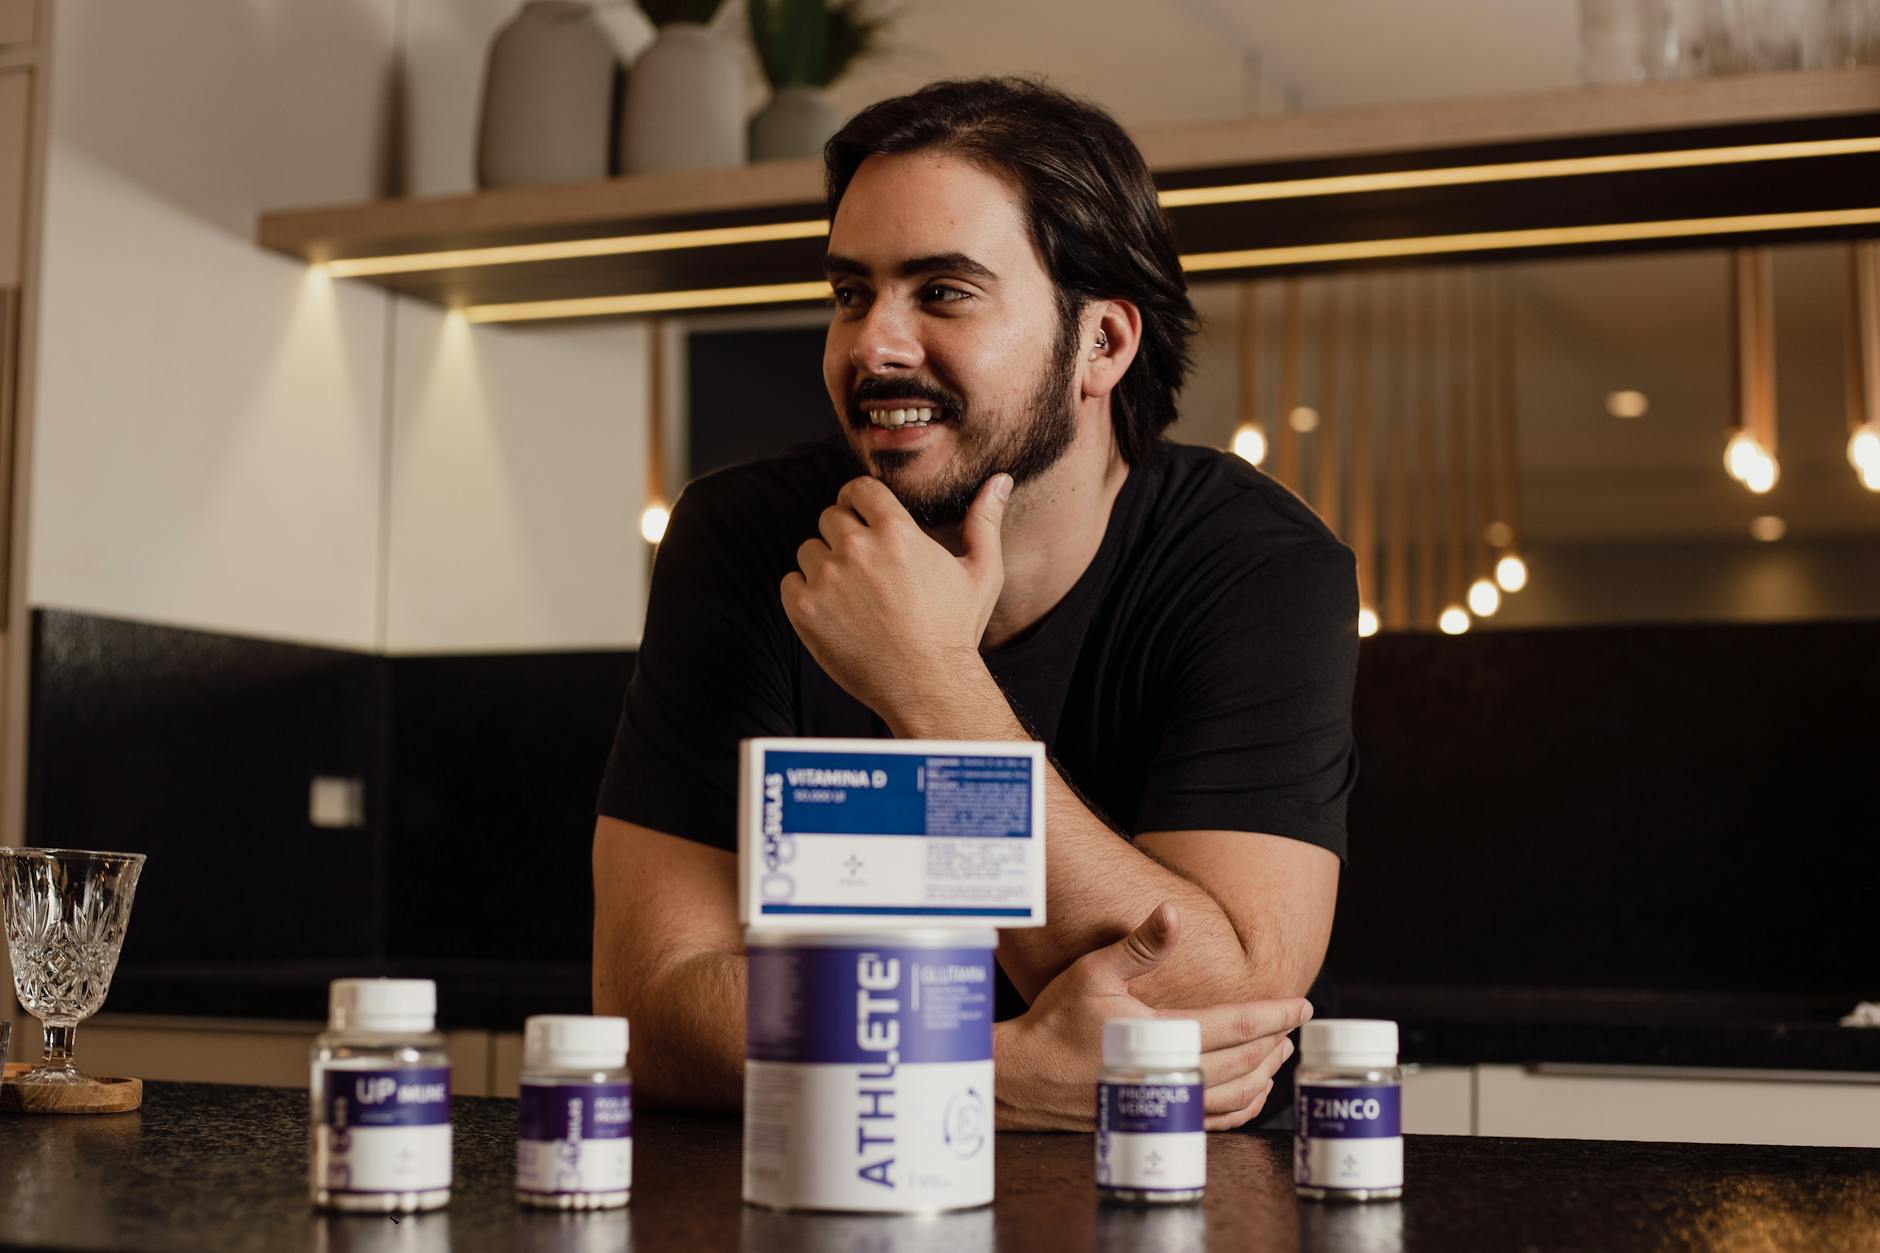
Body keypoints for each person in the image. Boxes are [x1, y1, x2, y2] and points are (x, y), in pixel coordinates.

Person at [592, 77, 1355, 1132]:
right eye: (850, 292)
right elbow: (646, 1008)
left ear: (1103, 344)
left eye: (940, 291)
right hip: (818, 1191)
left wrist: (932, 685)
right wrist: (988, 1072)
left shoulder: (1256, 566)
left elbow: (1210, 1012)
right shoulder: (742, 539)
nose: (872, 344)